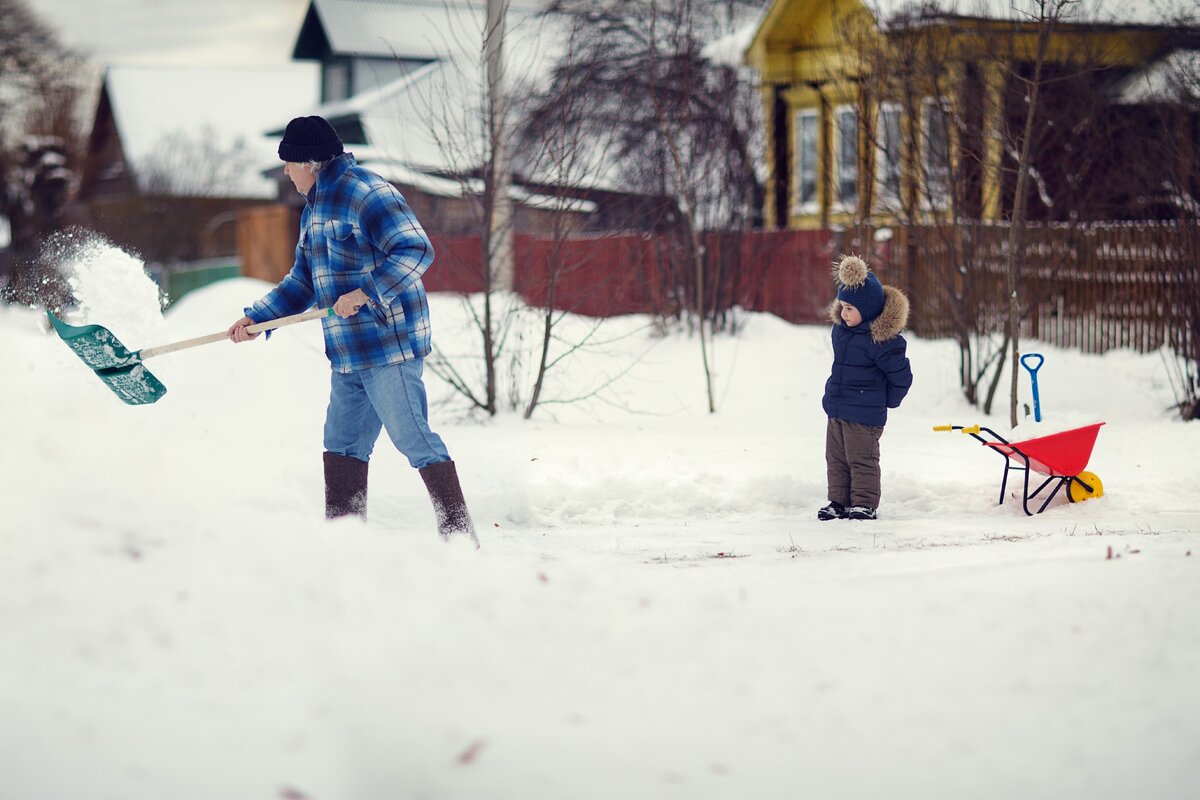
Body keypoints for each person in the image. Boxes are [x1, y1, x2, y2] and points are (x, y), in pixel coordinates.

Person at [228, 115, 476, 545]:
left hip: (387, 344)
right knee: (341, 443)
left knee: (412, 436)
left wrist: (365, 293)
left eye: (289, 164)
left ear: (310, 163)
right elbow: (302, 281)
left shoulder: (367, 191)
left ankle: (459, 536)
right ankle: (344, 543)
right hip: (347, 352)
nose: (285, 172)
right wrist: (258, 318)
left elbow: (416, 250)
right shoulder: (314, 211)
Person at [819, 254, 912, 521]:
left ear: (868, 309)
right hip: (837, 408)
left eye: (850, 309)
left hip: (865, 413)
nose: (844, 313)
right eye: (842, 306)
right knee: (836, 459)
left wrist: (886, 401)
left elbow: (901, 377)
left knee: (862, 460)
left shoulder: (882, 340)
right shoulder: (842, 331)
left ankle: (864, 503)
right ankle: (838, 501)